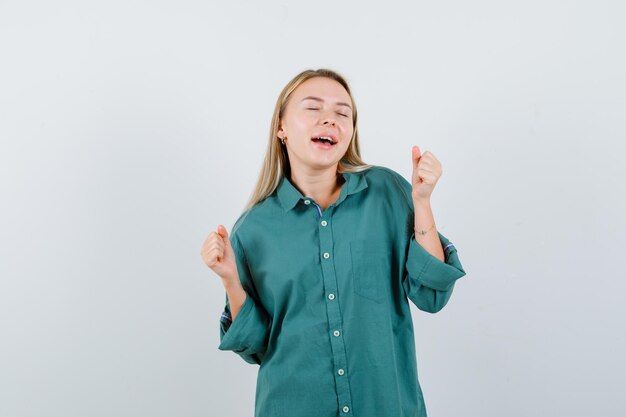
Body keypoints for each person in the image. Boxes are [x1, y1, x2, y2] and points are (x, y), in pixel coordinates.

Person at [200, 68, 467, 417]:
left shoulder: (387, 193)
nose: (330, 120)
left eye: (343, 113)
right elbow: (254, 346)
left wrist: (422, 201)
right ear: (281, 128)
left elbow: (431, 295)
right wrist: (229, 279)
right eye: (313, 108)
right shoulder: (252, 230)